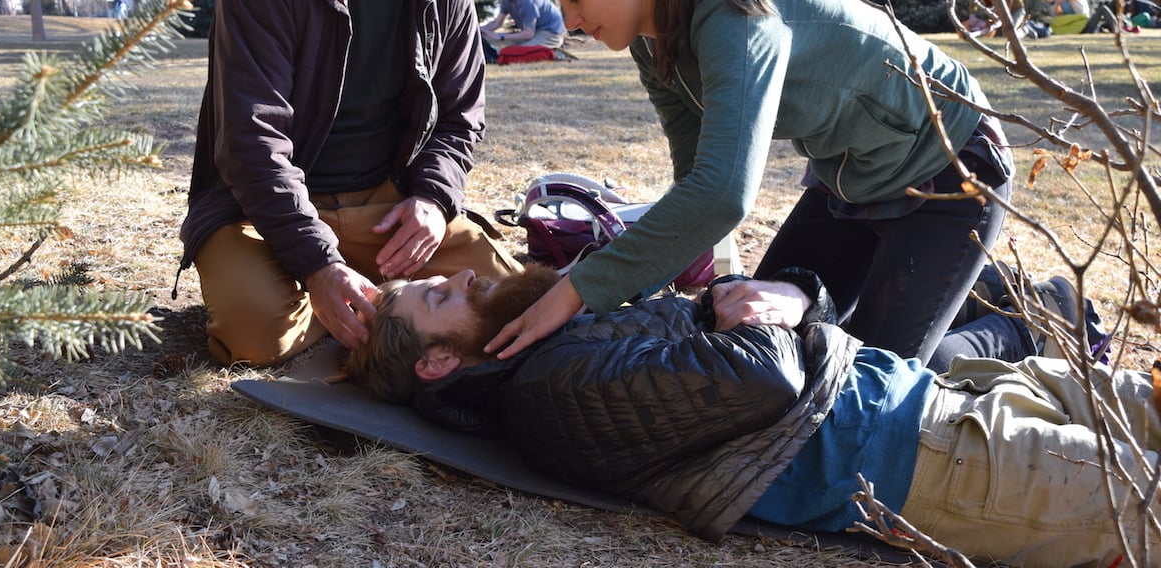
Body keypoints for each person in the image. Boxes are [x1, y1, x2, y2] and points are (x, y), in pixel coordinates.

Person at [493, 0, 1015, 373]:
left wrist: (581, 289)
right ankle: (945, 297)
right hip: (849, 181)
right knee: (764, 348)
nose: (571, 20)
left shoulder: (736, 14)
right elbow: (696, 180)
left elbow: (723, 193)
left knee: (868, 379)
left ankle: (1013, 321)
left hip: (950, 168)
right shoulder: (651, 43)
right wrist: (612, 288)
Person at [345, 266, 1141, 568]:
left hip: (942, 398)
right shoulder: (548, 391)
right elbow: (762, 377)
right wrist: (766, 308)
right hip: (926, 460)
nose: (465, 278)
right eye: (440, 297)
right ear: (438, 363)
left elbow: (735, 332)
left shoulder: (553, 337)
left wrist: (786, 293)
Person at [177, 0, 523, 368]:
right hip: (258, 212)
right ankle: (382, 304)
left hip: (384, 207)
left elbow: (461, 118)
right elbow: (251, 137)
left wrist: (433, 200)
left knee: (510, 300)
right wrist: (318, 264)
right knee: (257, 336)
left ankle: (376, 300)